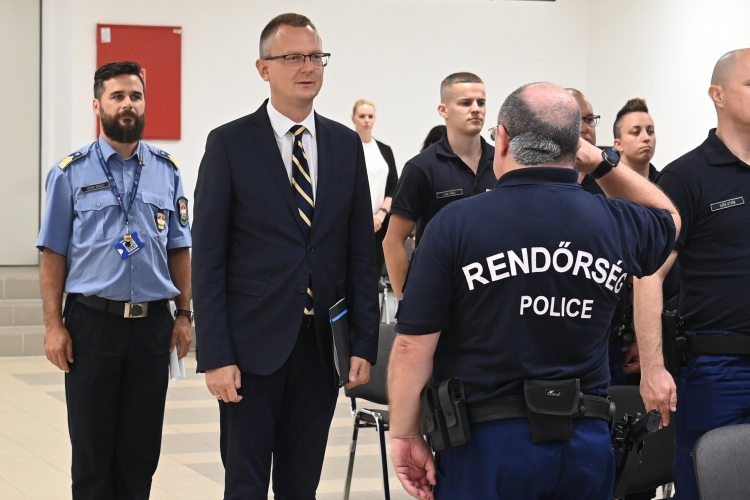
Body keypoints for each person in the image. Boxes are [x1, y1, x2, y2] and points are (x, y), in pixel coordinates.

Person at [387, 82, 679, 500]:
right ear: (576, 145)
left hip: (487, 445)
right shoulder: (614, 221)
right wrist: (601, 165)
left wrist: (405, 433)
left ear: (503, 139)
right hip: (585, 442)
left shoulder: (454, 224)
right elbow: (668, 217)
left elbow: (412, 346)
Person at [191, 13, 379, 499]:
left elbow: (361, 252)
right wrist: (216, 356)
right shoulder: (229, 143)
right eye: (293, 57)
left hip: (320, 349)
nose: (307, 67)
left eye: (315, 56)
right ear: (263, 68)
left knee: (301, 486)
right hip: (251, 351)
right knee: (246, 485)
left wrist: (363, 343)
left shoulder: (344, 144)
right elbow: (207, 259)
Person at [37, 61, 193, 499]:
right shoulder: (69, 172)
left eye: (135, 96)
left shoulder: (167, 170)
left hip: (152, 327)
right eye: (117, 96)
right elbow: (52, 254)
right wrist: (53, 325)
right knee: (92, 455)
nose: (128, 104)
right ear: (97, 105)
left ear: (144, 103)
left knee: (140, 455)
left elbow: (180, 248)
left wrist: (184, 315)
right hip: (92, 325)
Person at [635, 48, 750, 500]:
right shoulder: (686, 177)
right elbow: (648, 274)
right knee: (708, 486)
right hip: (717, 368)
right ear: (717, 95)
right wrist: (653, 367)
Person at [384, 73, 496, 299]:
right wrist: (406, 301)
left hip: (495, 292)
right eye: (465, 103)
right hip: (439, 293)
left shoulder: (503, 163)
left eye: (481, 102)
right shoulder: (421, 167)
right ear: (443, 110)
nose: (476, 109)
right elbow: (393, 241)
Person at [351, 98, 398, 274]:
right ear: (353, 118)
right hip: (353, 224)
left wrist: (381, 215)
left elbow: (394, 186)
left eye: (370, 116)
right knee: (354, 273)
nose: (366, 120)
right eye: (362, 116)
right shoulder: (346, 149)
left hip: (380, 224)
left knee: (374, 273)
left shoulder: (384, 150)